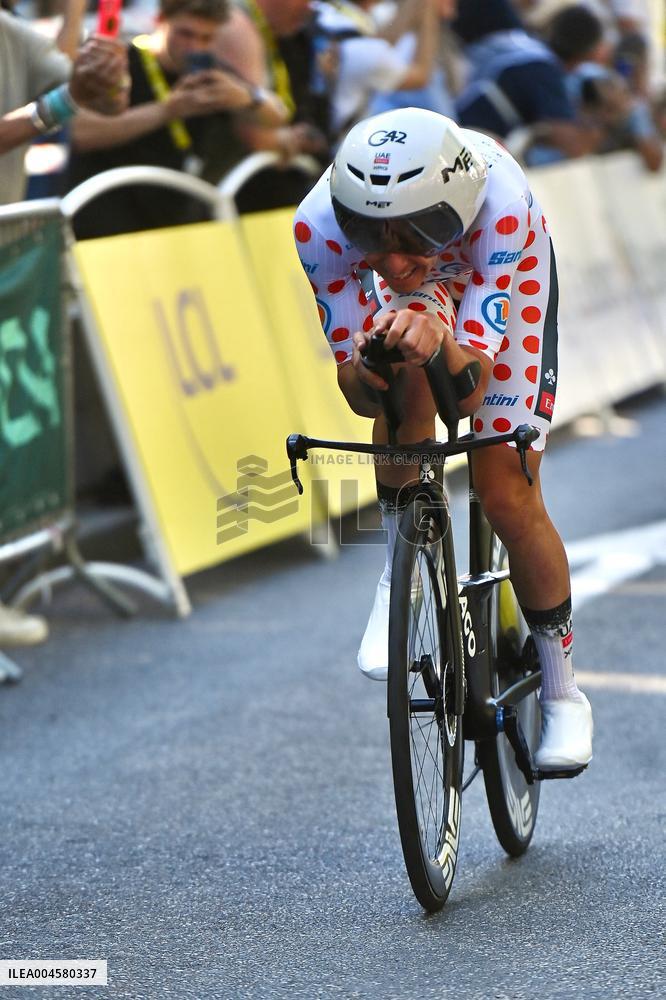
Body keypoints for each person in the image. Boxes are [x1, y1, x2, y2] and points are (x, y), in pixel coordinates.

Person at [293, 107, 593, 771]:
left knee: (505, 489)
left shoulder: (501, 206)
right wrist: (373, 363)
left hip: (495, 267)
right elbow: (357, 395)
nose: (395, 262)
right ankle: (400, 575)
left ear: (450, 211)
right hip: (435, 286)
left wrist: (444, 344)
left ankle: (563, 691)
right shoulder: (318, 227)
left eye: (413, 238)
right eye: (373, 241)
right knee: (399, 385)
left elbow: (473, 392)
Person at [0, 30, 128, 645]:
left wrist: (110, 72)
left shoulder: (14, 35)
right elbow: (69, 101)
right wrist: (64, 101)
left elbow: (108, 101)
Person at [65, 0, 288, 238]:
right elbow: (78, 132)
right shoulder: (121, 64)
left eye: (206, 38)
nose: (195, 47)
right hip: (106, 220)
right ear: (160, 20)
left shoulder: (209, 73)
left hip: (175, 225)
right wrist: (167, 111)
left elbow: (277, 115)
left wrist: (246, 98)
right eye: (185, 34)